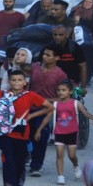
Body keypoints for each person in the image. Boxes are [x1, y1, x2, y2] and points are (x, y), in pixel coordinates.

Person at [0, 70, 52, 186]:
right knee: (8, 162)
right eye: (13, 80)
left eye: (19, 80)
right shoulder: (1, 94)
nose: (16, 82)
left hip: (22, 134)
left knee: (20, 162)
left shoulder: (30, 95)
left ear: (25, 82)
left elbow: (50, 107)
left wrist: (31, 115)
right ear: (9, 81)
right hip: (5, 134)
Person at [46, 80, 93, 185]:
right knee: (59, 154)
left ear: (70, 92)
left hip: (72, 133)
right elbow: (48, 117)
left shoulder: (76, 103)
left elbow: (85, 113)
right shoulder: (56, 104)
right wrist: (39, 129)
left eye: (63, 90)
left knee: (72, 155)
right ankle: (61, 176)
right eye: (58, 90)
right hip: (59, 132)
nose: (60, 92)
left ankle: (76, 165)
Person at [26, 45, 67, 177]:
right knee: (26, 135)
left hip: (46, 110)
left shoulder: (60, 74)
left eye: (48, 55)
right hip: (28, 108)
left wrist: (44, 100)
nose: (44, 57)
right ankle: (27, 158)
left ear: (57, 58)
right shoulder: (34, 68)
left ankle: (36, 166)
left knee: (41, 137)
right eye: (44, 54)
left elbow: (63, 96)